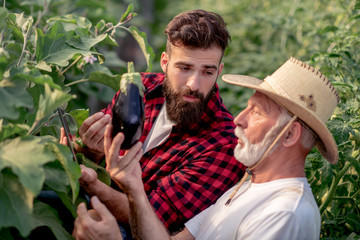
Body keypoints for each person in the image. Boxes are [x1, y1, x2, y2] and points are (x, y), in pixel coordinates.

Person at [72, 57, 340, 240]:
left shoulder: (284, 213)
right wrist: (134, 190)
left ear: (290, 133)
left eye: (257, 113)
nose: (238, 119)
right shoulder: (246, 187)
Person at [67, 9, 245, 234]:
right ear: (165, 62)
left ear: (219, 71)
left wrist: (91, 184)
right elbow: (95, 153)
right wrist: (90, 149)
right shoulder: (140, 87)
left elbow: (151, 216)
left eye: (207, 72)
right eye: (185, 68)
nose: (194, 83)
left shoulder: (223, 144)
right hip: (89, 196)